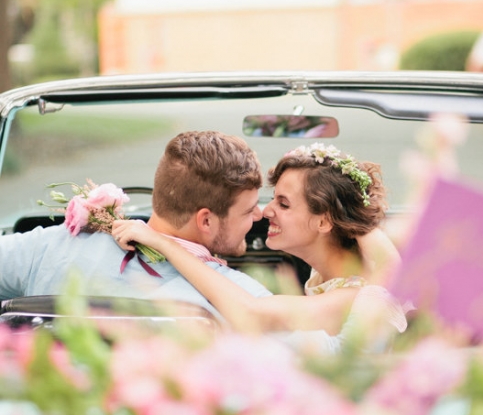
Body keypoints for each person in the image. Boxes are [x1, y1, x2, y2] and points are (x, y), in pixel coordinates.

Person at [112, 143, 407, 338]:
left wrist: (165, 243)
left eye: (284, 203)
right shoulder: (329, 276)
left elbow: (252, 314)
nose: (266, 212)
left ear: (324, 221)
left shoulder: (353, 297)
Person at [0, 131, 273, 317]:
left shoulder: (49, 247)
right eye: (248, 210)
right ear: (206, 220)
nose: (259, 215)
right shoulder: (246, 301)